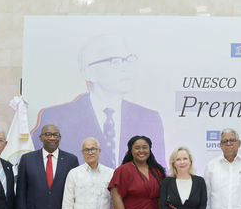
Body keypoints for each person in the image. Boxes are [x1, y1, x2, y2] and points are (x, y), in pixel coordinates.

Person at [31, 34, 165, 168]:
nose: (125, 68)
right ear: (88, 72)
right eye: (115, 61)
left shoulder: (149, 119)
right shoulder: (57, 119)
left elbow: (158, 172)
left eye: (128, 60)